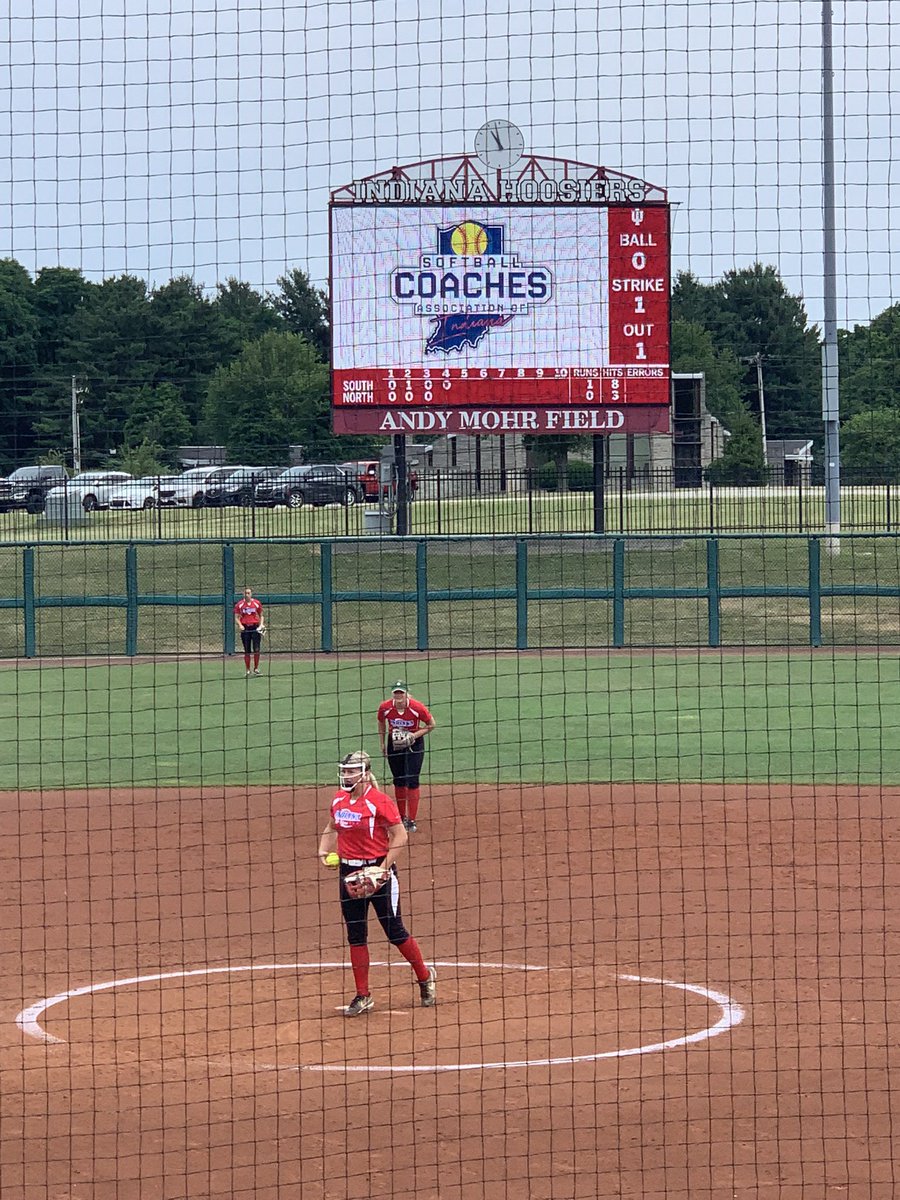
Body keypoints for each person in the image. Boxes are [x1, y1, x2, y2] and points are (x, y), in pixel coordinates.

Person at [318, 750, 437, 1017]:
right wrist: (323, 852)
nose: (346, 775)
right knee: (356, 935)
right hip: (349, 875)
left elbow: (400, 836)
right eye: (345, 771)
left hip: (378, 874)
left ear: (364, 773)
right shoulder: (339, 800)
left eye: (350, 771)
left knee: (395, 932)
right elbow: (331, 828)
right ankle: (363, 995)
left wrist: (381, 871)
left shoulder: (379, 802)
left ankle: (425, 977)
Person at [377, 680, 436, 832]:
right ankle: (401, 817)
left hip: (414, 745)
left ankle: (411, 820)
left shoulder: (417, 707)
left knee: (412, 780)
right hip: (394, 744)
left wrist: (413, 735)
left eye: (401, 693)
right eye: (396, 693)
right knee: (399, 779)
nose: (398, 696)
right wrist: (383, 743)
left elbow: (431, 725)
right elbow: (381, 722)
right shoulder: (385, 707)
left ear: (406, 694)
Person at [233, 586, 266, 676]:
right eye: (245, 593)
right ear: (243, 594)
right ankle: (248, 670)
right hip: (245, 629)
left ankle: (256, 668)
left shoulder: (256, 603)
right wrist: (240, 625)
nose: (247, 595)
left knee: (257, 649)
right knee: (247, 650)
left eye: (249, 593)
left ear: (251, 594)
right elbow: (236, 617)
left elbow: (261, 615)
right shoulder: (239, 604)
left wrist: (261, 624)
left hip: (255, 628)